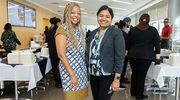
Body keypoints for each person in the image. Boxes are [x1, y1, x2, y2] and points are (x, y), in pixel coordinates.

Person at [87, 5, 125, 100]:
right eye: (101, 15)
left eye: (107, 16)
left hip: (108, 75)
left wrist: (117, 79)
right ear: (97, 17)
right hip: (93, 74)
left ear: (111, 19)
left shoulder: (116, 33)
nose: (104, 19)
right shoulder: (92, 33)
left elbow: (120, 56)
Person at [55, 2, 88, 100]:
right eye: (73, 13)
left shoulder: (78, 29)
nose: (76, 16)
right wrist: (72, 75)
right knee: (72, 97)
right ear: (67, 14)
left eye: (78, 13)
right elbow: (61, 55)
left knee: (80, 97)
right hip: (69, 71)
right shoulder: (62, 29)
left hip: (81, 70)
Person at [127, 13, 160, 99]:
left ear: (139, 19)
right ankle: (139, 95)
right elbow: (157, 44)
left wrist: (127, 52)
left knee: (135, 74)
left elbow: (128, 43)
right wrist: (157, 57)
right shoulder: (153, 30)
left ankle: (133, 92)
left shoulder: (133, 30)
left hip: (133, 55)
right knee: (141, 75)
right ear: (148, 20)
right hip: (146, 56)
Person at [47, 17, 62, 88]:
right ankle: (63, 81)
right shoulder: (60, 30)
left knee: (54, 69)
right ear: (58, 23)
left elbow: (47, 42)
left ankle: (57, 82)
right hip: (60, 52)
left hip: (52, 53)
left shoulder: (49, 31)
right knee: (62, 67)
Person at [118, 20, 130, 88]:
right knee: (122, 67)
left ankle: (122, 79)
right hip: (122, 53)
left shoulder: (116, 33)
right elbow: (126, 44)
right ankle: (120, 82)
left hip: (117, 53)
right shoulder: (124, 34)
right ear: (123, 27)